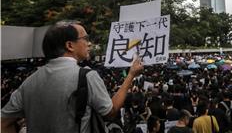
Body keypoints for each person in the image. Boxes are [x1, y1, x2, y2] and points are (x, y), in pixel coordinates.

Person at [1, 20, 144, 133]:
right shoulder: (87, 76)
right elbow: (110, 112)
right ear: (70, 45)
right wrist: (131, 75)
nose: (89, 43)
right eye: (85, 38)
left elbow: (3, 123)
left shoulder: (29, 82)